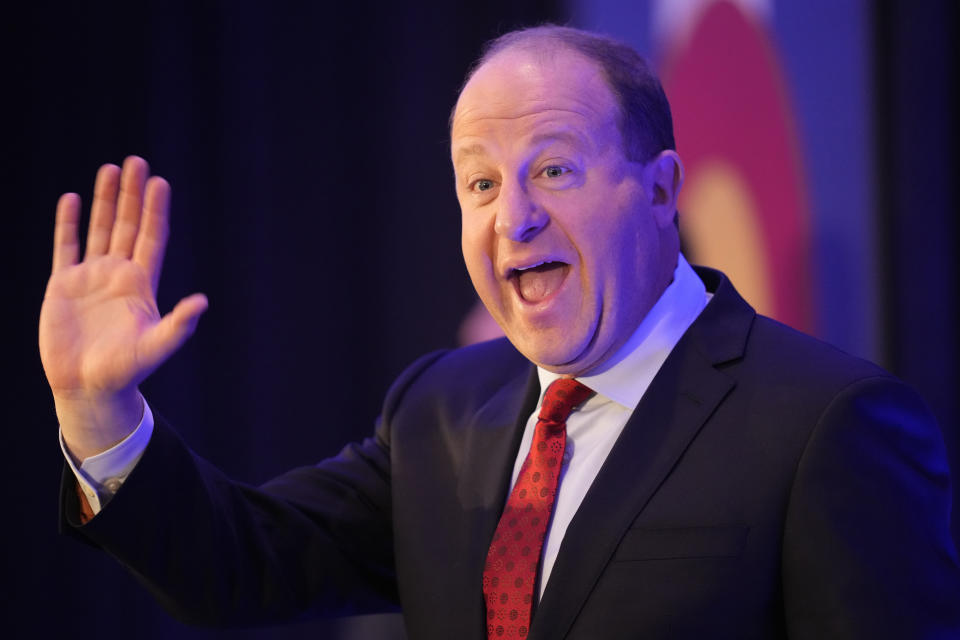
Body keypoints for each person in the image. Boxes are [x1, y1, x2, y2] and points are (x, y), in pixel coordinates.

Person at [41, 25, 959, 639]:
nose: (510, 220)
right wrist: (97, 410)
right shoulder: (442, 408)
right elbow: (239, 566)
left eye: (553, 169)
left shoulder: (828, 426)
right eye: (479, 183)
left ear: (660, 190)